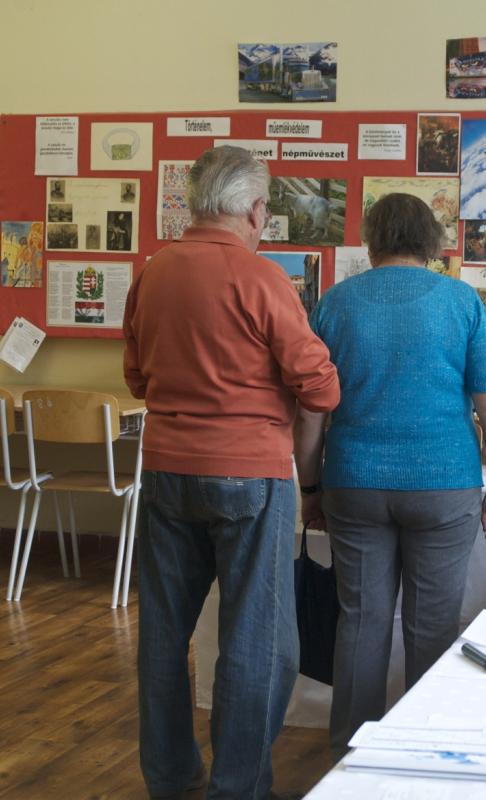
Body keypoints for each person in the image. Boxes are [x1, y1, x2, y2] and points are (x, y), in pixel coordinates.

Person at [123, 145, 340, 799]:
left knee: (164, 632)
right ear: (253, 209)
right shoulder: (261, 278)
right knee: (256, 639)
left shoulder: (152, 273)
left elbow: (135, 379)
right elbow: (319, 386)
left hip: (165, 467)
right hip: (251, 474)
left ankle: (168, 774)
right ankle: (237, 784)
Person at [294, 192, 486, 757]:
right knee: (433, 627)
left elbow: (311, 412)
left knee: (362, 622)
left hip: (355, 481)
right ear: (431, 242)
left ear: (371, 240)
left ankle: (350, 754)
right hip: (444, 484)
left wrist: (310, 487)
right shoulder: (462, 303)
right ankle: (423, 752)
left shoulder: (335, 304)